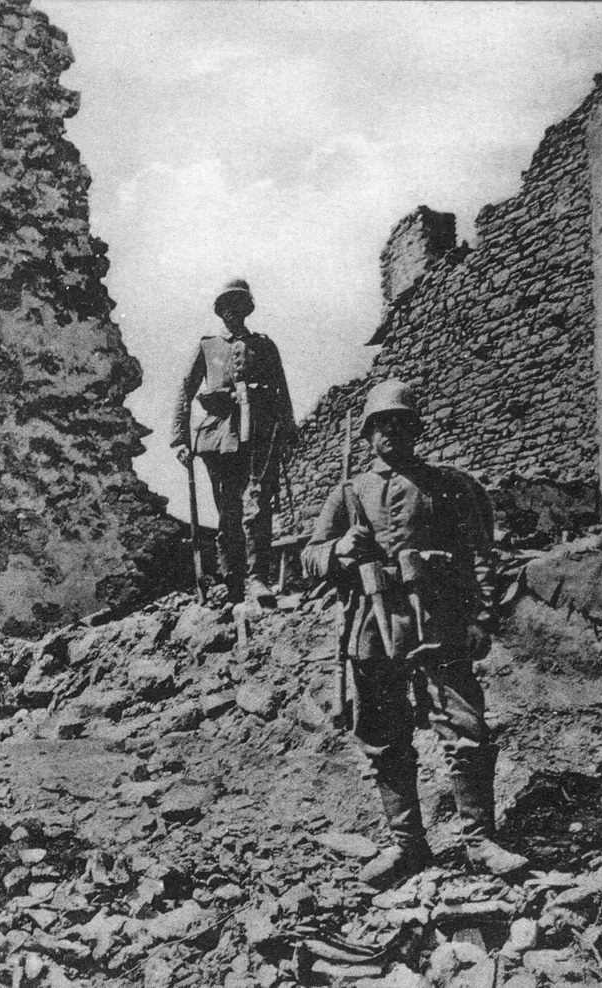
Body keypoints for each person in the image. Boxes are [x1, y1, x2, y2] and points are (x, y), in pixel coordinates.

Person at [302, 380, 529, 887]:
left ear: (417, 431)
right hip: (372, 626)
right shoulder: (349, 493)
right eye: (382, 425)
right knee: (383, 735)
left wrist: (481, 617)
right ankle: (407, 845)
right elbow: (309, 558)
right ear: (368, 434)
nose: (393, 433)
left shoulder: (447, 485)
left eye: (402, 424)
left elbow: (479, 554)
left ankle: (479, 841)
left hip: (439, 620)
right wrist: (339, 550)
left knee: (464, 726)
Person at [172, 278, 297, 605]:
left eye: (238, 304)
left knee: (258, 506)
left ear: (247, 308)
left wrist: (287, 433)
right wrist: (180, 440)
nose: (232, 311)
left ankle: (258, 579)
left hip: (260, 434)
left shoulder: (264, 346)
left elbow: (281, 391)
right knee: (228, 511)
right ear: (220, 311)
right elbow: (185, 391)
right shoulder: (207, 346)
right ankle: (233, 582)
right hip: (220, 436)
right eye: (227, 305)